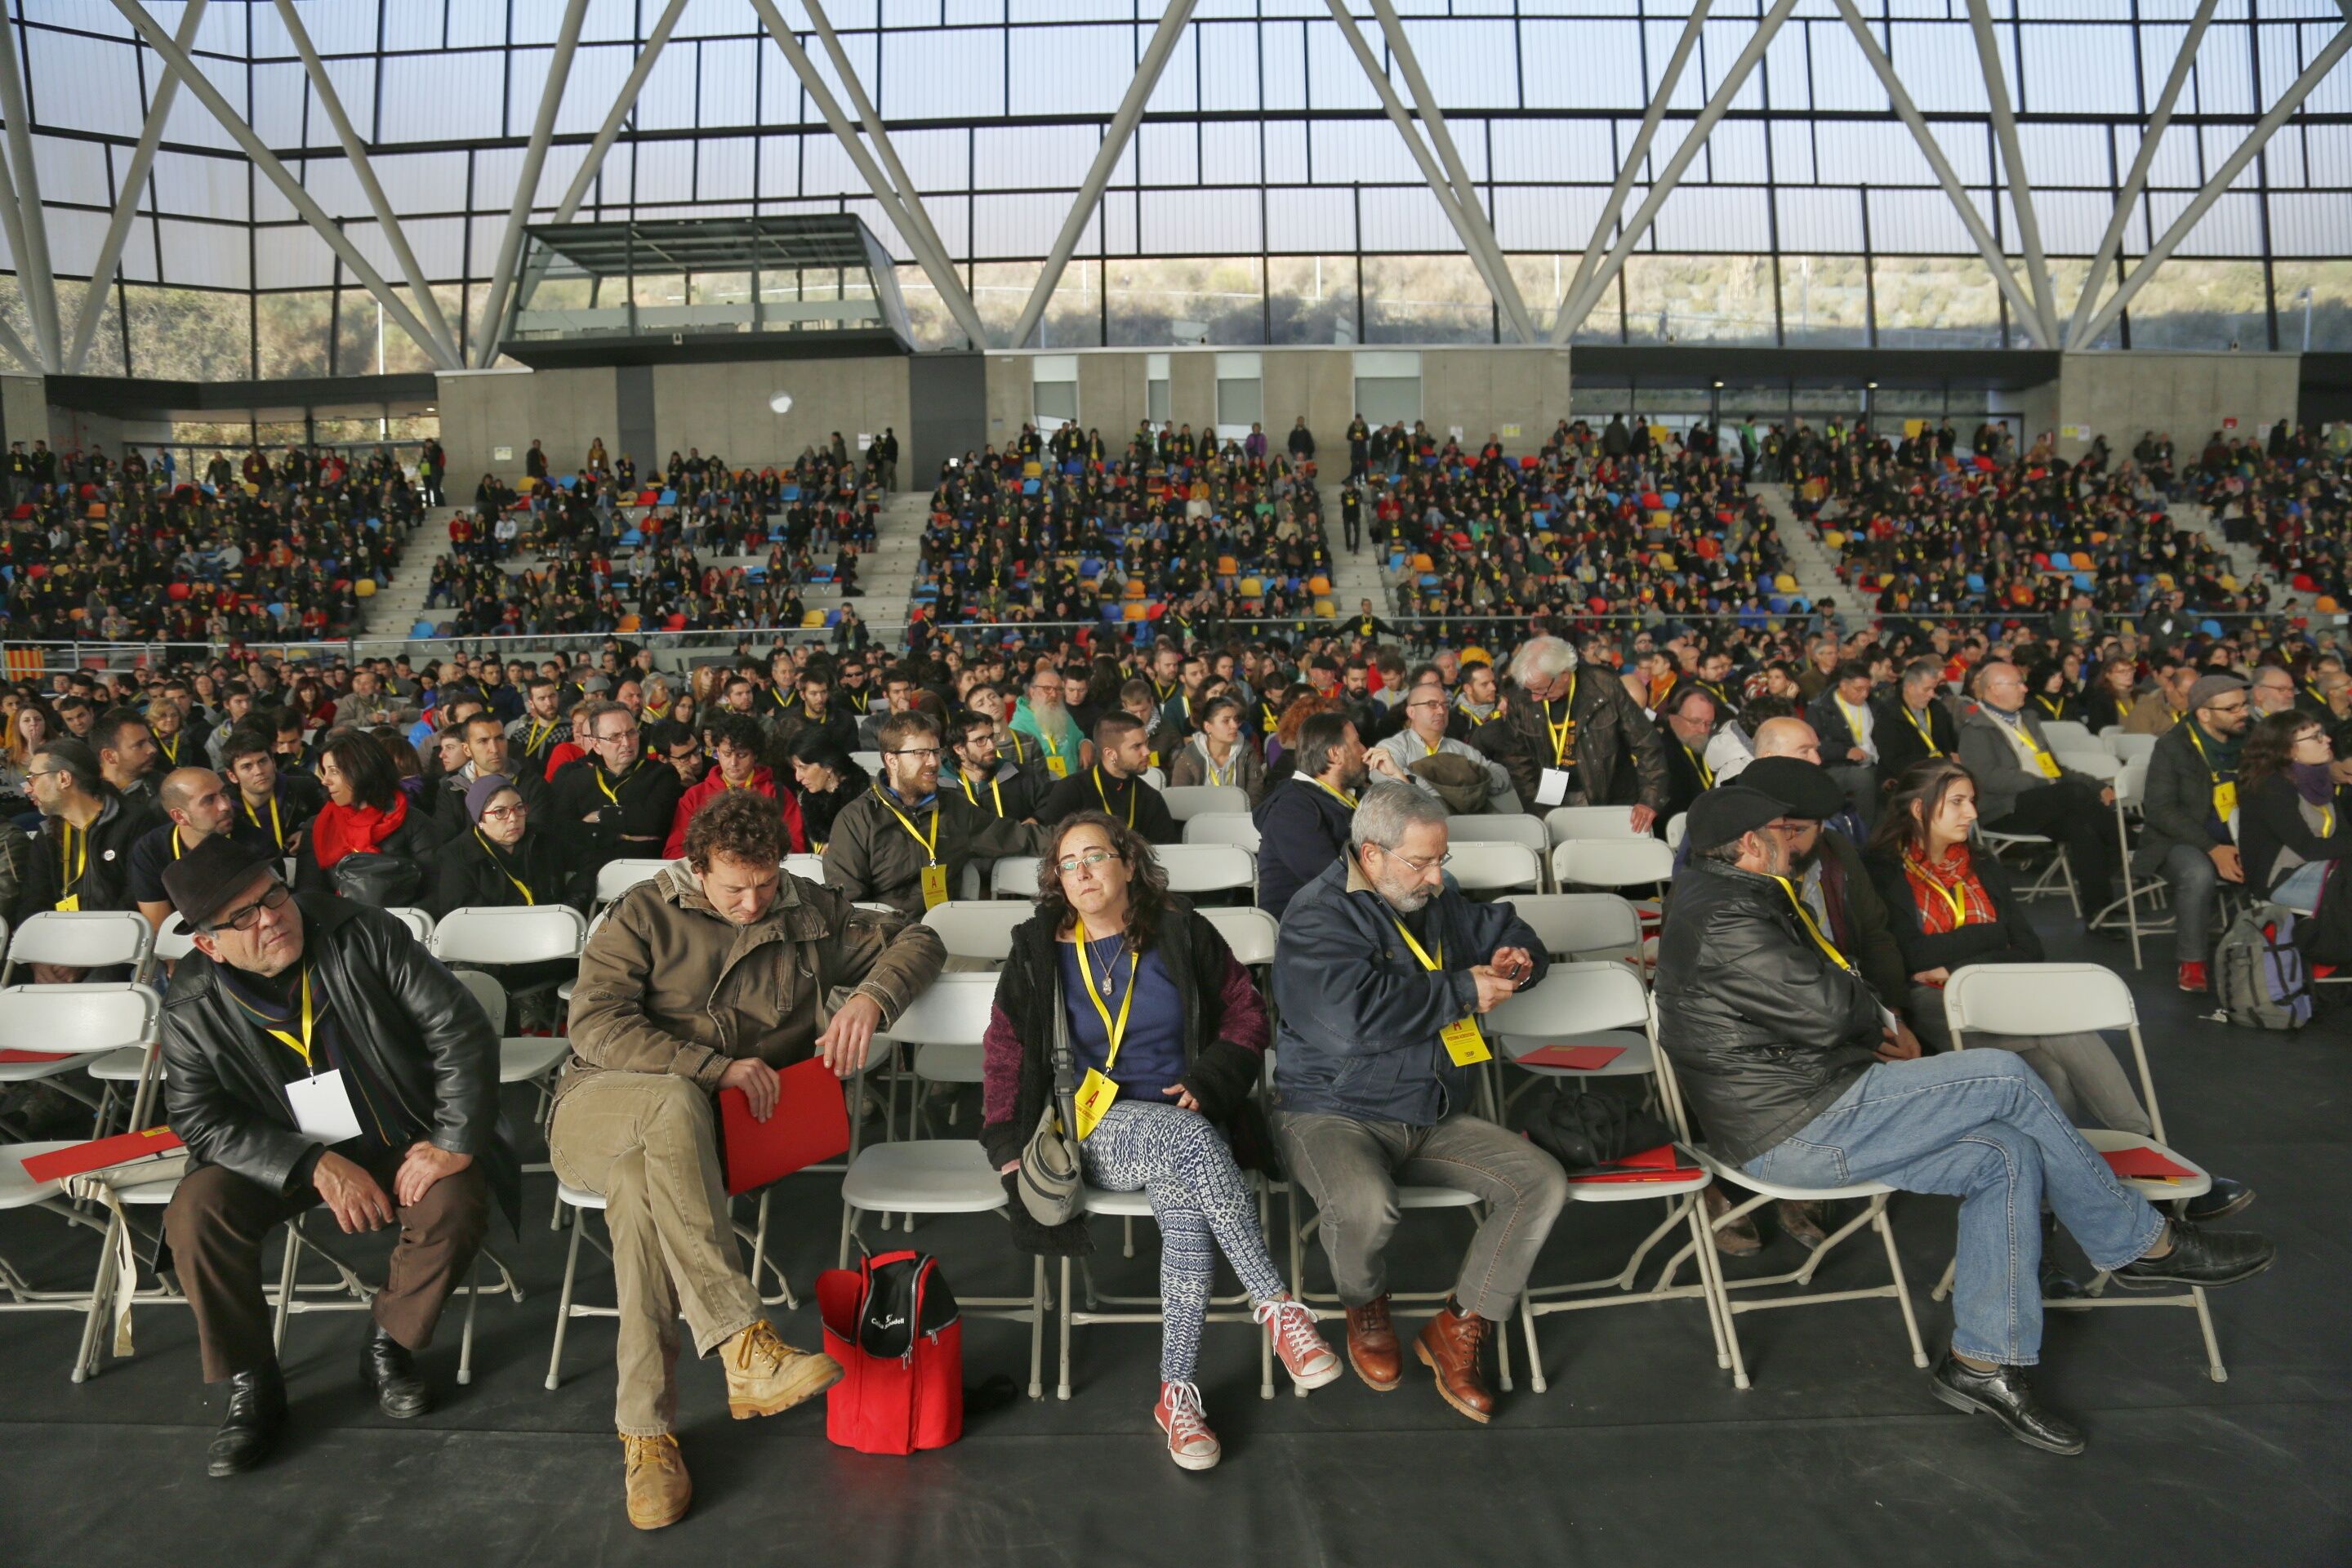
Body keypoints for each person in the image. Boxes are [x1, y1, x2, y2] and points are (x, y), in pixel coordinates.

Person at [1654, 785, 2274, 1456]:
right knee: (2005, 1076)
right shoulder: (1730, 916)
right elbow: (1835, 1008)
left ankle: (1983, 1366)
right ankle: (2140, 1245)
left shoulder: (1729, 898)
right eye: (1782, 827)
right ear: (1751, 843)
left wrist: (1857, 1003)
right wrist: (1871, 1009)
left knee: (2003, 1154)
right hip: (1797, 1127)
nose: (1795, 837)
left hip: (1807, 1103)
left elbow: (1826, 998)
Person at [558, 791, 945, 1530]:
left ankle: (646, 1437)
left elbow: (919, 938)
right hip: (600, 1106)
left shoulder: (806, 907)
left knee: (642, 1189)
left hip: (710, 1142)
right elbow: (595, 1026)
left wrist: (869, 999)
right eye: (734, 887)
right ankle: (742, 1340)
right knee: (668, 1101)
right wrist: (710, 1066)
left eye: (765, 884)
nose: (751, 902)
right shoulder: (642, 910)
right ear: (695, 869)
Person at [979, 813, 1339, 1470]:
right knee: (1192, 1140)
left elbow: (1247, 1010)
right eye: (1069, 864)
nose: (1083, 871)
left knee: (1185, 1203)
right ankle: (1276, 1305)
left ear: (1127, 863)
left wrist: (1213, 1076)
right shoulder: (1036, 949)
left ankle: (1177, 1395)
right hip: (1085, 1127)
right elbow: (1004, 1049)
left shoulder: (1180, 931)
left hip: (1180, 1118)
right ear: (1057, 881)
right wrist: (1006, 1148)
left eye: (1095, 856)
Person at [157, 837, 514, 1477]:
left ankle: (389, 1344)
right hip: (285, 1156)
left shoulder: (365, 935)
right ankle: (253, 1382)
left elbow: (458, 1030)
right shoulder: (190, 1000)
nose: (270, 916)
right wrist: (310, 1164)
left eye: (272, 894)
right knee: (195, 1211)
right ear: (207, 943)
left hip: (402, 1134)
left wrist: (453, 1140)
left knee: (454, 1202)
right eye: (243, 916)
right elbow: (198, 1118)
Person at [1269, 782, 1565, 1423]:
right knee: (1365, 1205)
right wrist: (1461, 989)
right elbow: (1349, 1022)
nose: (1436, 876)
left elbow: (1507, 925)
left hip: (1426, 1107)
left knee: (1538, 1181)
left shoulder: (1437, 899)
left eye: (1442, 860)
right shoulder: (1316, 913)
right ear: (1371, 855)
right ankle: (1364, 1300)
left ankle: (1461, 1326)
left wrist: (1521, 958)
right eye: (1421, 862)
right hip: (1330, 1107)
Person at [1862, 760, 2256, 1228]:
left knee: (2051, 1068)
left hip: (2005, 996)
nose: (1971, 813)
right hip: (1937, 1011)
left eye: (1972, 801)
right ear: (1917, 808)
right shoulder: (1883, 870)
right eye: (1958, 803)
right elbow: (1909, 955)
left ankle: (2052, 1206)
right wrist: (1990, 938)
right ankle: (2153, 1165)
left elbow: (2029, 947)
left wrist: (1958, 961)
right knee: (2058, 1037)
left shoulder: (1982, 863)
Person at [822, 710, 1044, 916]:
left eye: (936, 752)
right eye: (920, 753)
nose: (933, 762)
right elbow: (848, 908)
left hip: (947, 936)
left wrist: (1071, 838)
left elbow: (1018, 837)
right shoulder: (856, 820)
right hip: (886, 943)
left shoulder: (955, 809)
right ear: (892, 760)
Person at [1955, 662, 2119, 926]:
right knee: (2075, 796)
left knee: (2084, 826)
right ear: (1994, 689)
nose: (2025, 688)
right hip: (2005, 808)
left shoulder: (2028, 719)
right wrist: (2041, 783)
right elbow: (1986, 778)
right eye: (2017, 683)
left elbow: (2056, 768)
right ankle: (2129, 840)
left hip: (2052, 801)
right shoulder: (1975, 728)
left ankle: (2100, 913)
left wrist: (2096, 785)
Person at [1472, 635, 1664, 829]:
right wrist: (1537, 809)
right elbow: (1519, 760)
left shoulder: (1603, 686)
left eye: (1541, 689)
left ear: (1564, 675)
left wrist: (1650, 799)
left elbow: (1646, 742)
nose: (1535, 698)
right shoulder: (1522, 696)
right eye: (1530, 690)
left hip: (1610, 795)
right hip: (1551, 798)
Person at [2137, 673, 2251, 993]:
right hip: (2180, 839)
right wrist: (2214, 848)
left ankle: (2275, 948)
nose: (2243, 713)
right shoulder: (2174, 746)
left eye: (2244, 705)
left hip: (2240, 832)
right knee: (2198, 873)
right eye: (2232, 709)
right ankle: (2193, 961)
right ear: (2204, 714)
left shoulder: (2253, 740)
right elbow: (2160, 811)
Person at [11, 737, 154, 945]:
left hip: (120, 946)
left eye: (32, 778)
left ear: (63, 779)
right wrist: (38, 954)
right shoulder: (48, 834)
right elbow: (34, 900)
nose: (27, 788)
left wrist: (88, 948)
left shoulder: (135, 823)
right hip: (59, 945)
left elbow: (136, 899)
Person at [1254, 711, 1392, 919]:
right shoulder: (1291, 810)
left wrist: (1396, 776)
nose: (1365, 750)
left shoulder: (1354, 795)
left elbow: (1410, 832)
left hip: (1352, 910)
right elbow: (1333, 879)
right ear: (1335, 754)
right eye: (1357, 743)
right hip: (1308, 924)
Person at [293, 728, 453, 898]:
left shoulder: (414, 822)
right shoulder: (318, 826)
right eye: (324, 772)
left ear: (362, 770)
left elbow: (436, 889)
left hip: (405, 920)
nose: (325, 781)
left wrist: (399, 921)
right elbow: (309, 893)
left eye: (334, 771)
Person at [547, 699, 685, 880]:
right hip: (590, 877)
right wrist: (622, 836)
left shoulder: (662, 774)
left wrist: (600, 817)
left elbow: (654, 821)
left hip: (649, 874)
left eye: (631, 733)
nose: (627, 743)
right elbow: (564, 831)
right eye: (615, 737)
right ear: (596, 745)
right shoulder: (576, 780)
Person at [432, 773, 590, 918]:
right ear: (480, 820)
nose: (514, 818)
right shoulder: (456, 856)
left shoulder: (543, 837)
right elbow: (462, 917)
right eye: (500, 812)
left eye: (519, 808)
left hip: (551, 932)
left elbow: (589, 863)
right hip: (492, 941)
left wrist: (573, 901)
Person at [2236, 709, 2346, 914]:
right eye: (2316, 737)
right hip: (2284, 877)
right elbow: (2308, 848)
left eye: (2322, 732)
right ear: (2289, 750)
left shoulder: (2318, 778)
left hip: (2325, 864)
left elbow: (2343, 833)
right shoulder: (2270, 787)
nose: (2327, 739)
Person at [662, 713, 804, 859]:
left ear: (755, 754)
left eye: (741, 755)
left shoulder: (778, 794)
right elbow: (674, 852)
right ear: (717, 751)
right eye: (726, 754)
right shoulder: (695, 795)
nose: (733, 763)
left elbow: (796, 849)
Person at [1374, 672, 1512, 812]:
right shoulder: (1392, 748)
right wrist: (1461, 784)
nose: (1441, 711)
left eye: (1445, 705)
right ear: (1411, 712)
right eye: (1431, 705)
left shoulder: (1460, 748)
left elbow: (1502, 776)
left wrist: (1475, 780)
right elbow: (1392, 788)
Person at [1039, 713, 1178, 844]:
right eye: (1137, 746)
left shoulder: (1151, 798)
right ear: (1110, 753)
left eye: (1146, 743)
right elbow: (1054, 847)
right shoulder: (1070, 790)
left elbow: (1166, 853)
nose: (1147, 752)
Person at [130, 767, 238, 931]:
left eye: (224, 793)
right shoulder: (150, 851)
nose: (225, 805)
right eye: (209, 800)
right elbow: (164, 934)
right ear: (179, 816)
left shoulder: (256, 843)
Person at [220, 724, 324, 865]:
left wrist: (310, 832)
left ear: (273, 762)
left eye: (263, 761)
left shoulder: (303, 788)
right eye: (247, 766)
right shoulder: (225, 809)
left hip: (303, 869)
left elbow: (332, 821)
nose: (258, 771)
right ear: (232, 775)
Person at [1806, 660, 1880, 827]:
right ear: (1843, 686)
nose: (1865, 694)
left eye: (1868, 689)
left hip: (1873, 759)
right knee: (1862, 779)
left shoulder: (1874, 704)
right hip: (1836, 765)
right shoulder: (1820, 708)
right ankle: (1865, 832)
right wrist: (1845, 751)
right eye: (1859, 689)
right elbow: (1814, 745)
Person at [947, 706, 1047, 823]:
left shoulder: (1022, 775)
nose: (991, 746)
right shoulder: (945, 789)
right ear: (959, 749)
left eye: (992, 737)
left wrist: (1036, 820)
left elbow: (1051, 803)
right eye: (980, 740)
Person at [1165, 694, 1267, 803]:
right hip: (1199, 818)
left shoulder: (1247, 752)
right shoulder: (1188, 757)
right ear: (1208, 727)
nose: (1235, 726)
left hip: (1239, 817)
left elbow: (1255, 796)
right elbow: (1179, 801)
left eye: (1235, 720)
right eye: (1226, 721)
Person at [1873, 658, 1959, 783]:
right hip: (1905, 779)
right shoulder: (1888, 714)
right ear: (1909, 687)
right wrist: (1940, 762)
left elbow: (1953, 743)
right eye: (1926, 689)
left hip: (1943, 774)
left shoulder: (1937, 708)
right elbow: (1895, 761)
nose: (1932, 694)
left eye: (1934, 689)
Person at [1009, 659, 1091, 780]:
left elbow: (1078, 738)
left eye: (1058, 689)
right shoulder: (1018, 727)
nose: (1054, 695)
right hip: (1043, 793)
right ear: (1032, 692)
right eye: (1047, 688)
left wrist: (1086, 744)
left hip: (1072, 787)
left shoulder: (1063, 716)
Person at [788, 735, 866, 851]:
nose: (798, 777)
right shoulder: (805, 801)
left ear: (828, 766)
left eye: (803, 768)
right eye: (795, 769)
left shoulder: (871, 795)